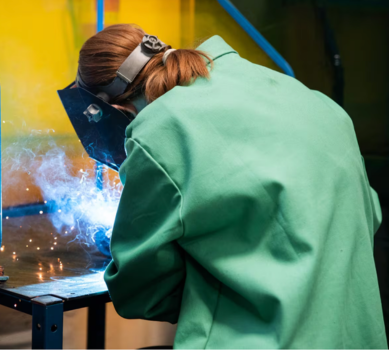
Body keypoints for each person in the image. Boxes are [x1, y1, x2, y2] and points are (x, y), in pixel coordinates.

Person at [76, 24, 386, 348]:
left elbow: (139, 293)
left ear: (116, 110)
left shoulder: (160, 132)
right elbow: (368, 215)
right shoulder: (305, 97)